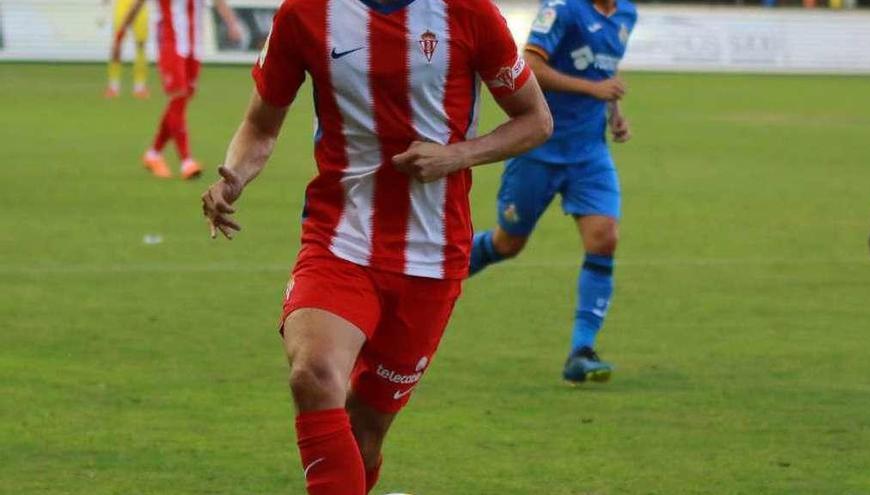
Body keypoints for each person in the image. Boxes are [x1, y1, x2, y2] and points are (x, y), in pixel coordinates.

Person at [200, 0, 552, 492]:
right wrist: (234, 176)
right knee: (314, 373)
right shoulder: (305, 13)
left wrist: (457, 156)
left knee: (363, 434)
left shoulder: (468, 12)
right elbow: (260, 125)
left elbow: (535, 119)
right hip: (338, 238)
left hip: (431, 257)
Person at [468, 0, 637, 384]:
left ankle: (581, 351)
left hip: (589, 152)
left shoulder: (627, 13)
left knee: (604, 238)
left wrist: (614, 114)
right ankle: (433, 275)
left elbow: (604, 67)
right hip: (538, 146)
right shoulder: (562, 10)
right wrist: (593, 89)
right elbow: (531, 68)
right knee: (508, 243)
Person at [113, 0, 242, 180]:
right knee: (178, 97)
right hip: (170, 43)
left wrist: (232, 23)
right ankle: (186, 161)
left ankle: (153, 154)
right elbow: (137, 4)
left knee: (181, 101)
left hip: (194, 45)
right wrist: (120, 34)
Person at [104, 0, 150, 99]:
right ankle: (113, 85)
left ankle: (140, 86)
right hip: (122, 4)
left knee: (140, 46)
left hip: (140, 6)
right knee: (117, 43)